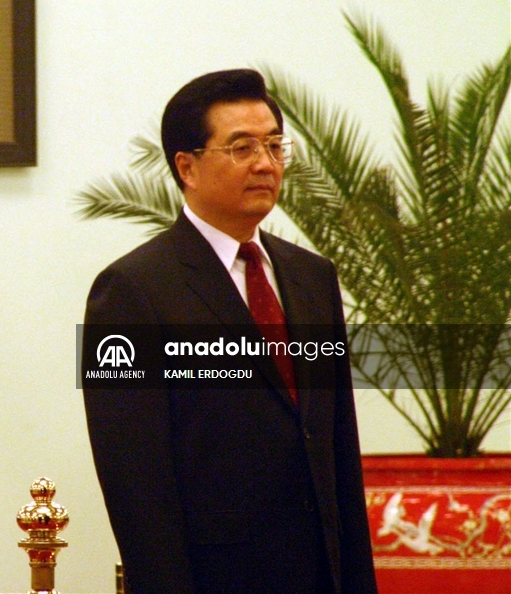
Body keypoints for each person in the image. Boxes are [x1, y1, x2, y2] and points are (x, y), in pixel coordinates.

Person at [82, 69, 377, 594]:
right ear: (187, 167)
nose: (265, 163)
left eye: (274, 145)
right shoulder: (130, 291)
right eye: (241, 147)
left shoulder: (313, 277)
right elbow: (135, 483)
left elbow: (337, 446)